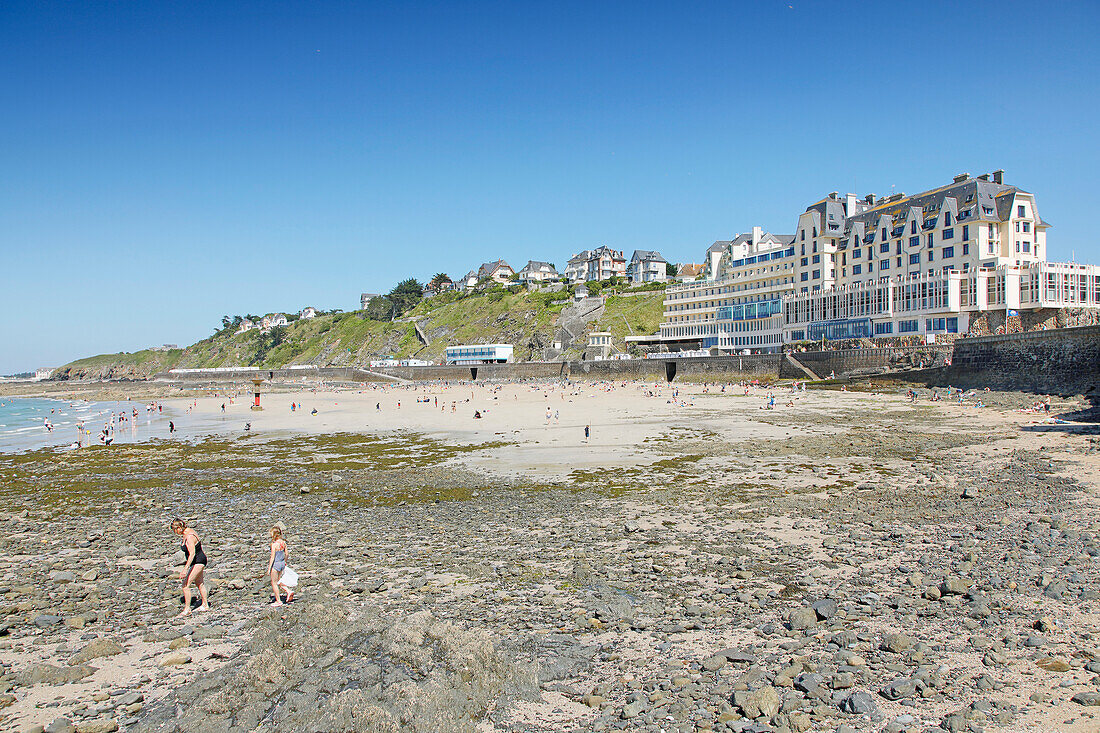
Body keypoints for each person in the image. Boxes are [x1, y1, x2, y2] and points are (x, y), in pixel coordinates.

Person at [171, 519, 209, 617]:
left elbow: (192, 553)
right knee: (199, 583)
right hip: (198, 561)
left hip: (199, 561)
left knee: (185, 585)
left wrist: (185, 569)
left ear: (179, 528)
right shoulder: (187, 532)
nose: (175, 533)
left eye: (175, 530)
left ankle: (187, 609)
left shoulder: (189, 536)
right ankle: (205, 604)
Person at [267, 527, 293, 606]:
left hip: (276, 564)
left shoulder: (274, 545)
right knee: (279, 580)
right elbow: (287, 554)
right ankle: (288, 591)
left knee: (274, 583)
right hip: (282, 563)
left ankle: (278, 601)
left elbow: (272, 557)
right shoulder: (283, 543)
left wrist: (269, 569)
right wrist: (285, 561)